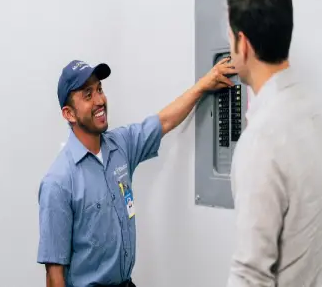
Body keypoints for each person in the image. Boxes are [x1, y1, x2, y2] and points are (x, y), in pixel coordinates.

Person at [37, 58, 236, 287]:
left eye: (100, 89)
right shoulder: (59, 182)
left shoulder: (120, 145)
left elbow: (164, 121)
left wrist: (203, 85)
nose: (100, 100)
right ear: (69, 113)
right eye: (88, 95)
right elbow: (54, 275)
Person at [226, 0, 322, 286]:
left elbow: (250, 275)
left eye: (229, 38)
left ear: (243, 44)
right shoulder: (314, 111)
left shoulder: (260, 142)